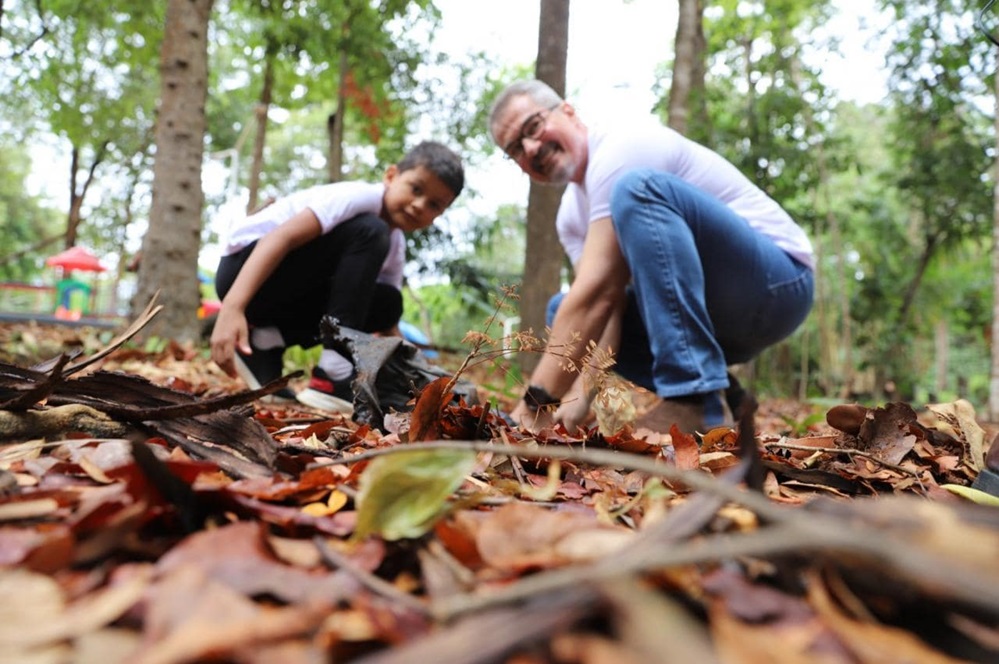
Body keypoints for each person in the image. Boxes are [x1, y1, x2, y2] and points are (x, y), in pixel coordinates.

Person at [488, 80, 814, 434]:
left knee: (636, 190)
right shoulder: (570, 217)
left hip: (778, 282)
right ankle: (726, 401)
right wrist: (579, 398)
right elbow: (605, 308)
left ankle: (693, 396)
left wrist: (534, 404)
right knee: (561, 308)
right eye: (516, 149)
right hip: (716, 319)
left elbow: (598, 294)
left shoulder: (620, 148)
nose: (531, 148)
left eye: (533, 127)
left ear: (567, 110)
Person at [210, 141, 464, 412]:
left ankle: (266, 344)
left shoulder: (395, 244)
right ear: (391, 176)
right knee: (371, 230)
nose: (419, 205)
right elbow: (280, 238)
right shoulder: (360, 199)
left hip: (285, 298)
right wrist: (232, 307)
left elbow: (385, 320)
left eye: (434, 205)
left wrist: (418, 371)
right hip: (244, 271)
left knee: (389, 302)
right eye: (416, 189)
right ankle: (333, 370)